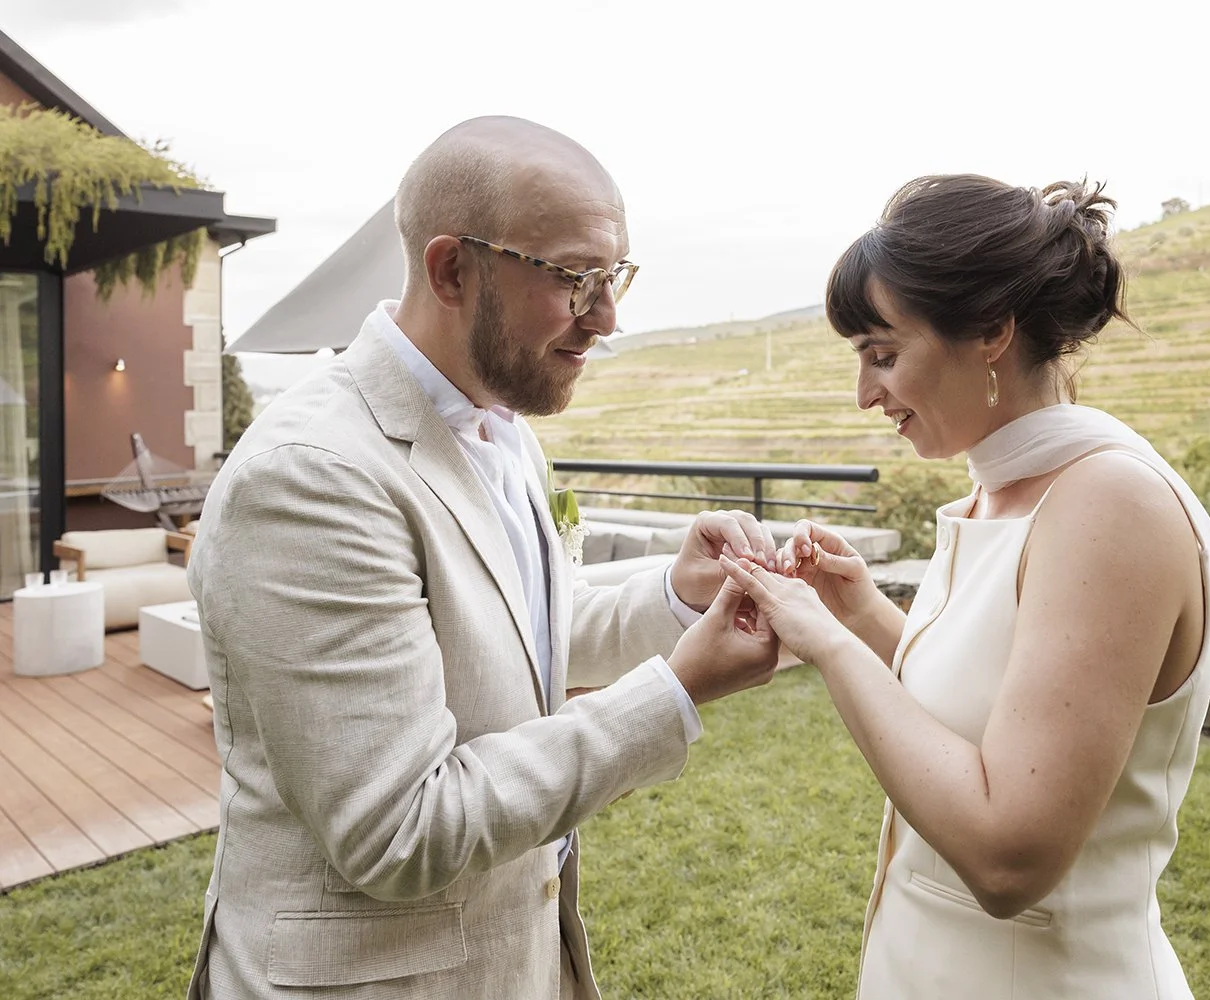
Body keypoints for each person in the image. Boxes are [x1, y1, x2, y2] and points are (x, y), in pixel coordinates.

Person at [184, 116, 781, 1000]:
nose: (607, 319)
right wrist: (675, 693)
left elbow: (506, 629)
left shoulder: (504, 428)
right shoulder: (311, 476)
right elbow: (399, 831)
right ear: (452, 270)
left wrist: (676, 596)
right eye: (577, 279)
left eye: (614, 277)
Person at [721, 174, 1210, 998]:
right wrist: (860, 614)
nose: (864, 396)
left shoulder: (1108, 505)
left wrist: (823, 645)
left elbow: (1008, 857)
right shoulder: (995, 497)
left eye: (884, 355)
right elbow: (995, 711)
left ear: (993, 330)